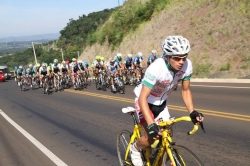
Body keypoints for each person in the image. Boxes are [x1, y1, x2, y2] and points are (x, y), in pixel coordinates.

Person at [130, 36, 205, 166]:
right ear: (168, 56)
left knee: (167, 136)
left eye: (184, 57)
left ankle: (160, 158)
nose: (181, 61)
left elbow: (186, 91)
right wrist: (151, 123)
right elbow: (143, 98)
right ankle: (135, 148)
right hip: (145, 101)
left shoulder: (187, 66)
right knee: (151, 137)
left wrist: (192, 111)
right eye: (176, 58)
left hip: (162, 102)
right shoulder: (156, 68)